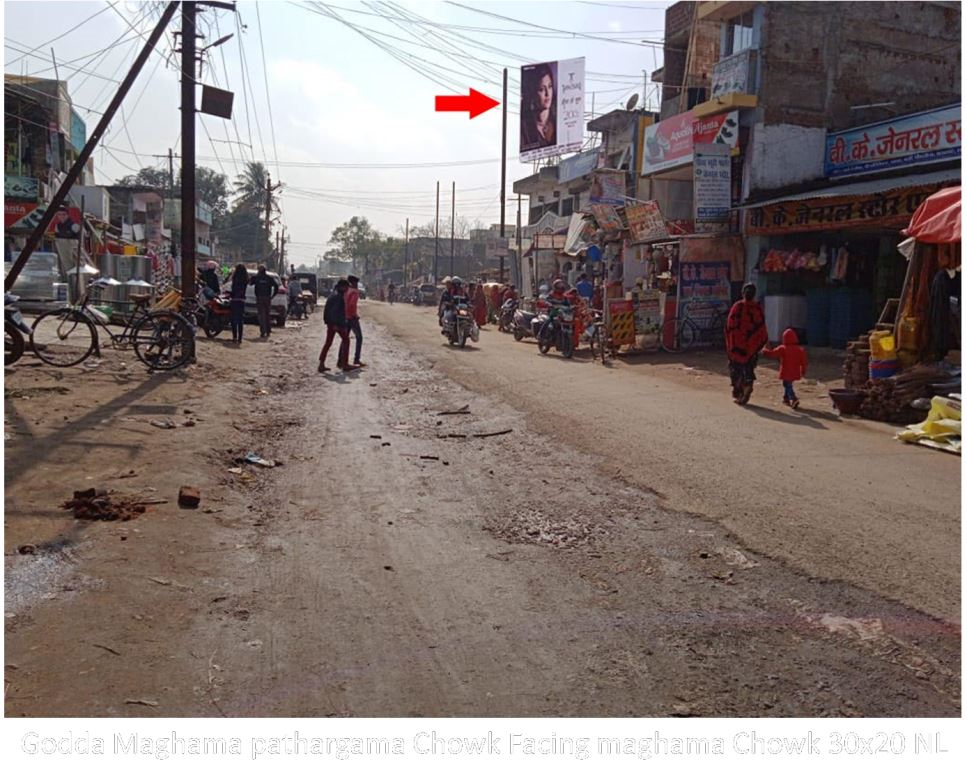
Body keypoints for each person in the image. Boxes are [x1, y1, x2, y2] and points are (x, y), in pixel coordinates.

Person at [725, 283, 768, 405]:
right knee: (749, 366)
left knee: (735, 367)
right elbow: (761, 328)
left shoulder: (737, 307)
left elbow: (729, 326)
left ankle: (739, 390)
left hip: (736, 345)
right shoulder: (757, 308)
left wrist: (730, 342)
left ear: (743, 293)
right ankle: (747, 385)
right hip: (751, 346)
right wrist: (760, 343)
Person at [762, 328, 808, 409]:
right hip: (795, 372)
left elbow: (772, 354)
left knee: (787, 384)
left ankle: (793, 398)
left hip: (786, 371)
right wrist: (803, 371)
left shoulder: (782, 348)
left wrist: (765, 351)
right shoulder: (800, 350)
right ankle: (786, 398)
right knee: (788, 384)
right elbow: (804, 362)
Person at [319, 279, 354, 372]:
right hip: (336, 323)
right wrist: (335, 324)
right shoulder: (338, 297)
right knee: (346, 340)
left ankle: (321, 363)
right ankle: (344, 364)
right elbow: (334, 312)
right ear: (342, 287)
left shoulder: (333, 295)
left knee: (328, 343)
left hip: (331, 323)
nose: (347, 289)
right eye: (346, 287)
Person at [520, 63, 556, 151]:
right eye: (541, 89)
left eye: (550, 86)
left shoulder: (559, 121)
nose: (548, 94)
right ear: (532, 93)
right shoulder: (524, 127)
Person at [251, 265, 278, 338]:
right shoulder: (269, 278)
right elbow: (276, 286)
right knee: (267, 314)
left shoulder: (257, 278)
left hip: (260, 298)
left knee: (261, 315)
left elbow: (250, 283)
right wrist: (273, 295)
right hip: (267, 298)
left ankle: (263, 332)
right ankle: (268, 331)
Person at [345, 275, 365, 367]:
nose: (357, 285)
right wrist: (354, 315)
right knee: (359, 338)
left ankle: (341, 360)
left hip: (345, 317)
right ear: (353, 283)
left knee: (344, 339)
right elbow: (352, 305)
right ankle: (356, 359)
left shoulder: (345, 291)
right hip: (352, 318)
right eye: (356, 283)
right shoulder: (354, 292)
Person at [228, 263, 249, 344]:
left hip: (234, 300)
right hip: (241, 300)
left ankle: (234, 337)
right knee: (240, 320)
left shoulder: (235, 278)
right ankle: (240, 338)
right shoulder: (245, 279)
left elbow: (233, 290)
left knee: (234, 319)